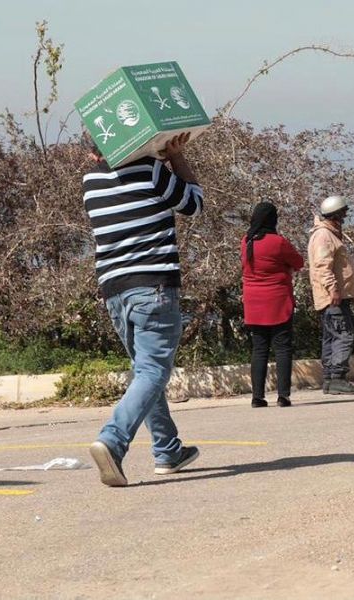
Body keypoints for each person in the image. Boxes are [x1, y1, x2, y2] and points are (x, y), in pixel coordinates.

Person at [82, 132, 202, 487]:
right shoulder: (150, 171)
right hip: (153, 285)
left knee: (144, 372)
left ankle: (167, 450)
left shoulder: (91, 182)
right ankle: (112, 440)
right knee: (152, 372)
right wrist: (176, 158)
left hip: (115, 291)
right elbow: (193, 203)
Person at [241, 201, 304, 408]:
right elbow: (298, 262)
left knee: (259, 349)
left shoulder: (246, 241)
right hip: (277, 301)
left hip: (253, 303)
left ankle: (257, 397)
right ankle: (283, 395)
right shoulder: (278, 242)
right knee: (282, 348)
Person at [308, 195, 354, 395]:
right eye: (343, 213)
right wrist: (333, 289)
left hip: (333, 296)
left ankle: (330, 379)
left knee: (331, 337)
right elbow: (323, 266)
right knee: (343, 336)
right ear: (336, 214)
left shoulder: (329, 234)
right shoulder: (324, 235)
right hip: (333, 297)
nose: (345, 216)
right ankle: (338, 378)